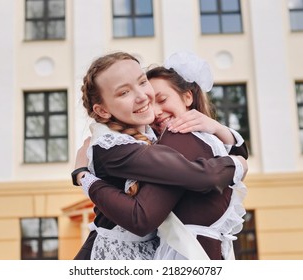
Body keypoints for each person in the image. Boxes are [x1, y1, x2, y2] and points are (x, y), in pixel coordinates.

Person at [71, 51, 247, 260]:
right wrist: (83, 176)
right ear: (102, 111)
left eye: (142, 82)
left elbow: (218, 152)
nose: (143, 97)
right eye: (123, 93)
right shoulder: (114, 147)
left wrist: (217, 128)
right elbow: (202, 177)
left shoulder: (152, 133)